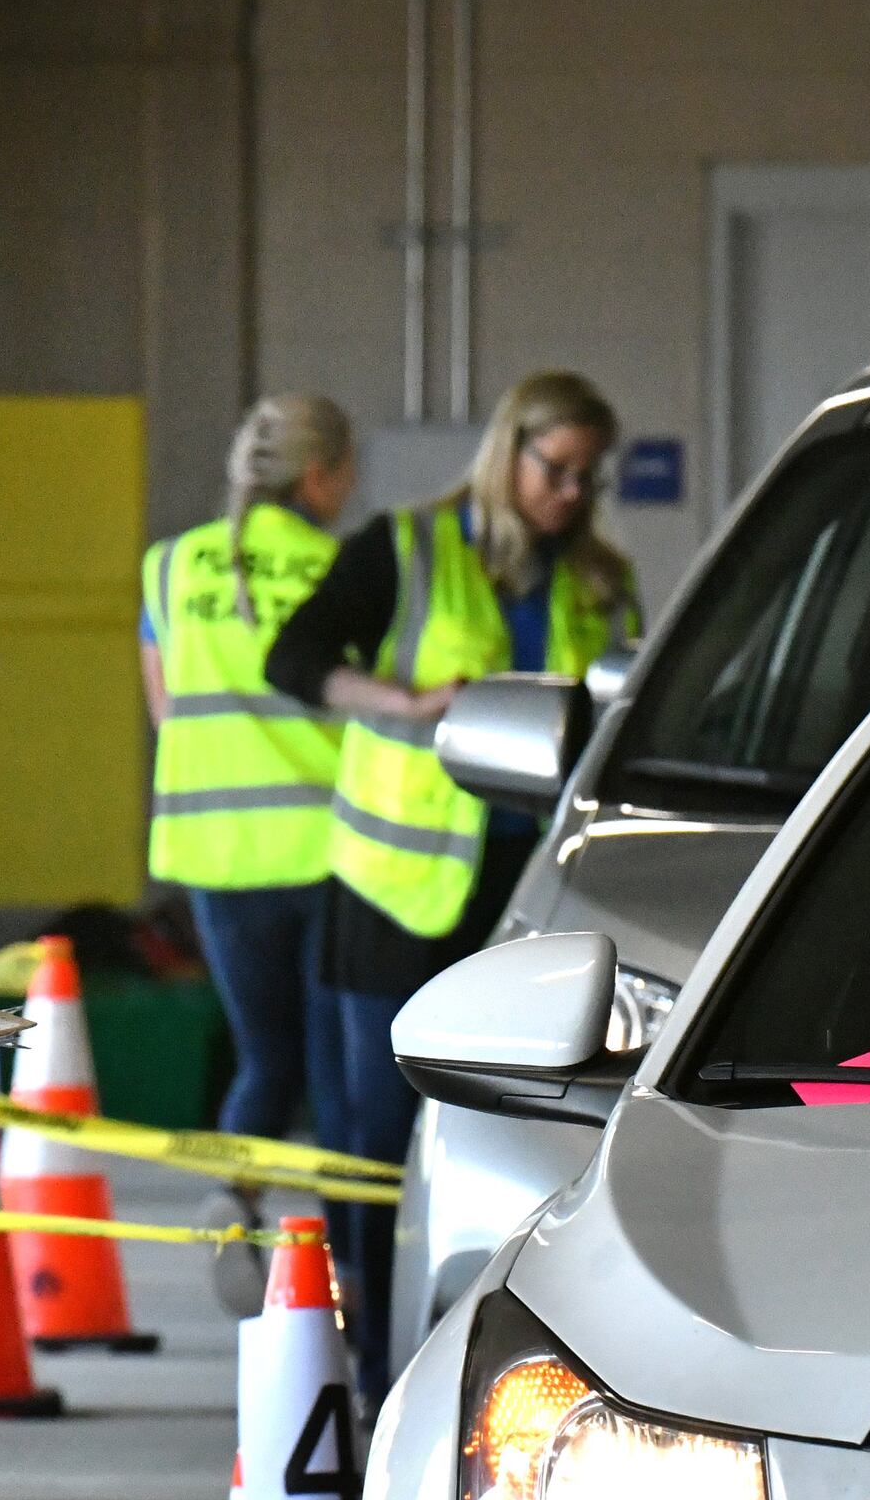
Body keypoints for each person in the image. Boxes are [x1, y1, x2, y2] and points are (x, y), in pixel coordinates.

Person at [265, 371, 641, 1387]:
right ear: (507, 449)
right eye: (553, 467)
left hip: (528, 900)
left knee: (511, 1152)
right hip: (393, 891)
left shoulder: (600, 577)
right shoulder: (411, 547)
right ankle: (371, 1368)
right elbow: (294, 660)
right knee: (373, 1145)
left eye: (587, 476)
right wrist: (407, 701)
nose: (569, 492)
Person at [142, 395, 356, 1191]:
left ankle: (236, 1231)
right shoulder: (341, 568)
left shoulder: (168, 567)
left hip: (217, 859)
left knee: (264, 1062)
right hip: (330, 853)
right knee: (336, 1072)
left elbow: (167, 711)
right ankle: (348, 1265)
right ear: (324, 475)